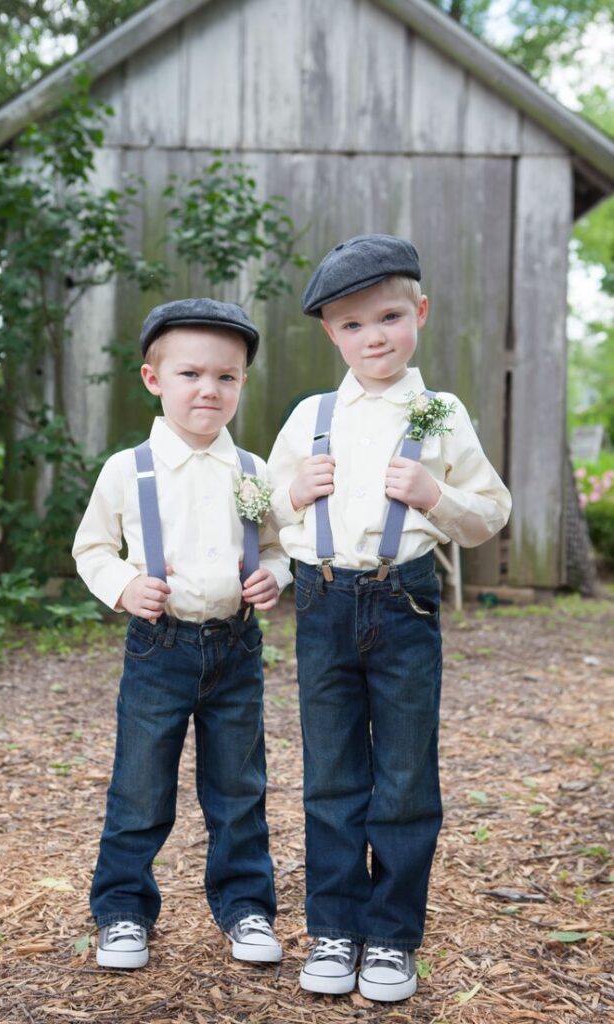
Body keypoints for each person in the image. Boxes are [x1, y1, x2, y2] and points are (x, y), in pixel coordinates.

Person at [267, 235, 511, 1002]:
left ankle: (392, 936)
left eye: (389, 316)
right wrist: (292, 494)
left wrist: (436, 497)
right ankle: (335, 926)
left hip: (402, 598)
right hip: (320, 600)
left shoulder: (441, 413)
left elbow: (490, 512)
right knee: (332, 772)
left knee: (404, 775)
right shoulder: (310, 416)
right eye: (352, 325)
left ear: (420, 314)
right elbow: (261, 516)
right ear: (328, 334)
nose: (373, 337)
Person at [73, 298, 292, 970]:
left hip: (235, 647)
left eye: (225, 377)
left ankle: (246, 907)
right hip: (158, 647)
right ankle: (122, 911)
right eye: (190, 374)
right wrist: (123, 587)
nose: (207, 389)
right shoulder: (127, 469)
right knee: (140, 786)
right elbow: (92, 549)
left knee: (238, 785)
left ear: (241, 384)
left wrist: (273, 578)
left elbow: (280, 545)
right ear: (152, 379)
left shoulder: (254, 472)